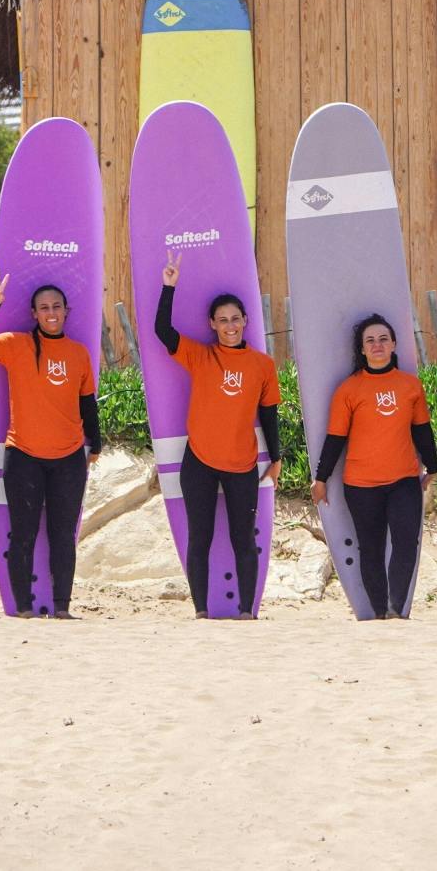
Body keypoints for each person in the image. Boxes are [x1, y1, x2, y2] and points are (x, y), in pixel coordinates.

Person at [154, 251, 284, 619]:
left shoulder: (262, 365)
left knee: (245, 540)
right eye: (223, 320)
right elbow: (163, 332)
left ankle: (246, 611)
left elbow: (268, 412)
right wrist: (169, 287)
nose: (230, 325)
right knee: (201, 538)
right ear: (212, 323)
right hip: (199, 461)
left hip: (242, 463)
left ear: (245, 321)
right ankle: (200, 611)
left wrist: (275, 458)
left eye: (236, 319)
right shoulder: (200, 356)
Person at [0, 271, 101, 618]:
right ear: (34, 314)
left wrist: (95, 444)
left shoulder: (79, 353)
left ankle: (62, 607)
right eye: (44, 308)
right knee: (22, 534)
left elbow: (87, 403)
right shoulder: (16, 345)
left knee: (62, 535)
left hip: (68, 457)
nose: (51, 313)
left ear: (66, 311)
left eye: (57, 307)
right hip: (23, 455)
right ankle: (23, 607)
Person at [311, 314, 437, 620]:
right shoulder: (349, 390)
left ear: (394, 345)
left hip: (403, 480)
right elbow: (335, 439)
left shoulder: (410, 385)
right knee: (370, 548)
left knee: (407, 542)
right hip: (361, 484)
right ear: (362, 349)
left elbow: (422, 430)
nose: (377, 345)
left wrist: (432, 466)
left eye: (383, 339)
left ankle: (396, 608)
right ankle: (380, 612)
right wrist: (321, 478)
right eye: (370, 340)